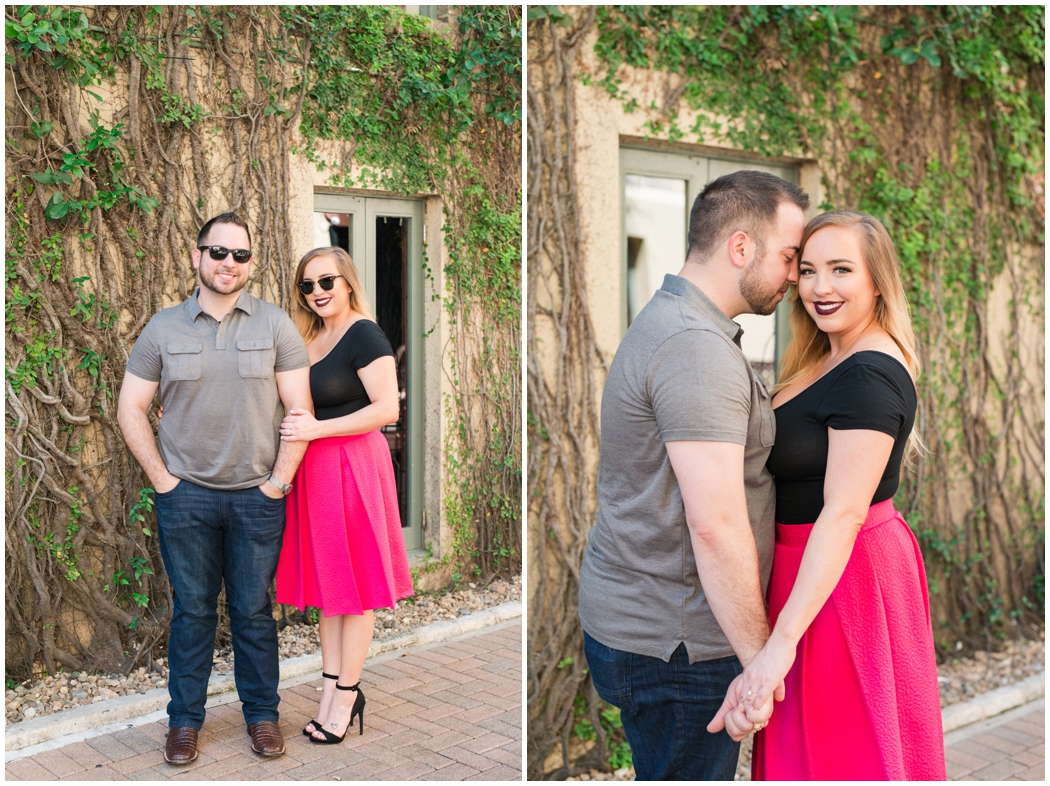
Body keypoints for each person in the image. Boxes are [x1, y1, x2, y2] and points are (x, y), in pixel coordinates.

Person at [578, 171, 810, 780]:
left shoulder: (677, 323)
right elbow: (716, 525)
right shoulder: (694, 347)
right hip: (680, 643)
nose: (795, 276)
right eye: (789, 257)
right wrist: (760, 660)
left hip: (650, 626)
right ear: (741, 247)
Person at [708, 211, 946, 780]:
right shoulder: (824, 356)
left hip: (844, 574)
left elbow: (842, 513)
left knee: (841, 751)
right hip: (807, 569)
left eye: (841, 270)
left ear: (878, 280)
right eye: (808, 270)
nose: (820, 287)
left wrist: (778, 646)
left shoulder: (869, 373)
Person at [117, 213, 313, 764]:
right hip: (188, 497)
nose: (229, 263)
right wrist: (163, 480)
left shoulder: (275, 325)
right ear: (197, 257)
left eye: (240, 255)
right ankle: (183, 723)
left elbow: (300, 411)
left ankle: (262, 716)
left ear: (252, 263)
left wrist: (279, 482)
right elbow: (130, 407)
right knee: (194, 611)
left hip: (257, 495)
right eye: (218, 252)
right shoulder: (162, 328)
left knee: (254, 611)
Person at [275, 246, 414, 745]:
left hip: (354, 465)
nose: (317, 293)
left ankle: (348, 694)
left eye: (326, 282)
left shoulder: (364, 334)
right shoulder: (312, 336)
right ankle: (328, 693)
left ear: (348, 282)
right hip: (317, 471)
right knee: (332, 591)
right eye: (307, 286)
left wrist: (318, 426)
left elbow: (385, 410)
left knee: (353, 592)